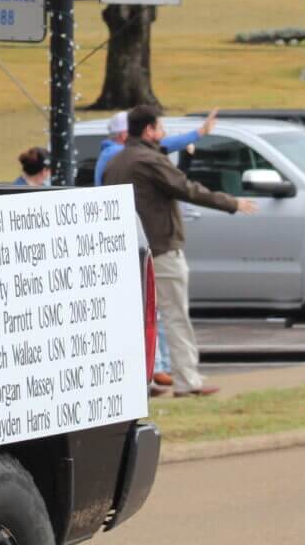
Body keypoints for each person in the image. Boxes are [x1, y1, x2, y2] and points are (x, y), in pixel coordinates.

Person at [104, 106, 259, 398]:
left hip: (126, 250)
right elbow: (186, 188)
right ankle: (188, 381)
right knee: (174, 315)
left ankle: (139, 383)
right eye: (160, 127)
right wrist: (231, 203)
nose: (163, 132)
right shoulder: (149, 160)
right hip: (160, 248)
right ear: (149, 130)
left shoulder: (117, 161)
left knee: (136, 319)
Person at [95, 107, 215, 186]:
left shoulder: (113, 153)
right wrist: (200, 132)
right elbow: (158, 145)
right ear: (124, 135)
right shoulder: (113, 152)